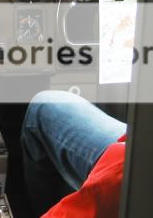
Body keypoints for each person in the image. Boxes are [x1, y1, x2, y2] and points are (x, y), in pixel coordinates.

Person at [21, 90, 127, 218]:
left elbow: (110, 188)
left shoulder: (130, 172)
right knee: (45, 102)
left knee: (42, 105)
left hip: (128, 164)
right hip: (136, 148)